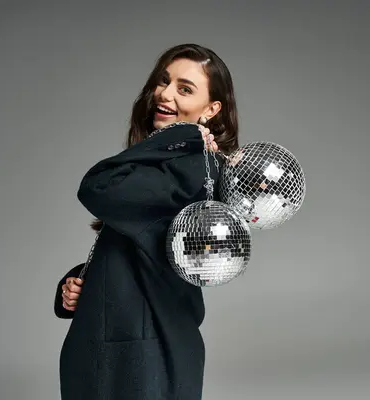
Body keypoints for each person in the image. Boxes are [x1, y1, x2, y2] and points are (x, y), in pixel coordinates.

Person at [53, 43, 240, 399]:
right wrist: (81, 282)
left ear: (211, 109)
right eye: (163, 81)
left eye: (185, 89)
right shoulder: (169, 163)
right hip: (122, 349)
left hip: (141, 357)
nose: (165, 94)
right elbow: (146, 247)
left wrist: (179, 136)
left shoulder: (192, 168)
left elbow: (96, 187)